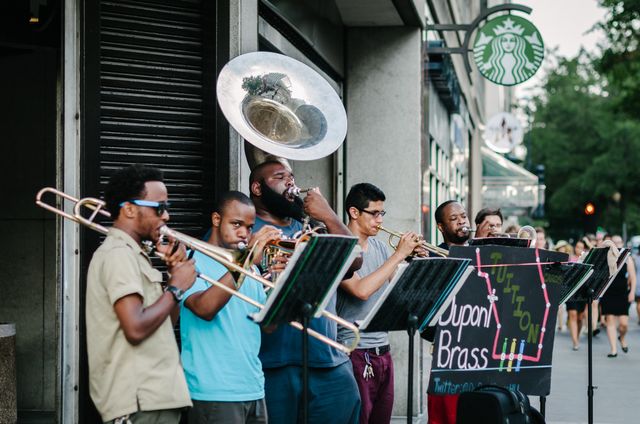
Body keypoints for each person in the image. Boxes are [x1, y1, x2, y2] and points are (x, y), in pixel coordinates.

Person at [249, 158, 361, 424]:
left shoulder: (311, 227)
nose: (291, 182)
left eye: (292, 176)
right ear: (256, 188)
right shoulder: (243, 229)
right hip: (273, 363)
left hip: (328, 359)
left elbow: (354, 261)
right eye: (280, 176)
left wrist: (329, 215)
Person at [86, 164, 196, 423]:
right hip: (139, 398)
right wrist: (176, 288)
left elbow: (164, 324)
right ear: (129, 209)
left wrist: (173, 278)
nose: (166, 216)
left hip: (155, 395)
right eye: (159, 208)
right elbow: (135, 328)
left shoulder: (135, 256)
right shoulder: (118, 255)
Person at [180, 191, 282, 424]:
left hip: (253, 387)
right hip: (213, 390)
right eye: (236, 224)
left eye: (249, 227)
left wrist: (279, 279)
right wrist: (246, 259)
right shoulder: (189, 260)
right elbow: (205, 308)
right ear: (216, 220)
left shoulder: (252, 269)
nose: (244, 234)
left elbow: (268, 326)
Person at [337, 183, 421, 424]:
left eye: (382, 213)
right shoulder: (343, 248)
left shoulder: (380, 247)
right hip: (354, 350)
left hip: (383, 350)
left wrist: (414, 263)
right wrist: (398, 256)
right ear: (354, 212)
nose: (380, 220)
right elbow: (361, 290)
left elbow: (400, 292)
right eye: (374, 213)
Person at [426, 200, 471, 424]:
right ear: (441, 227)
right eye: (454, 219)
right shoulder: (433, 258)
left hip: (482, 352)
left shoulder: (484, 254)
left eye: (463, 215)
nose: (462, 221)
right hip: (449, 352)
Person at [600, 235, 636, 357]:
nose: (617, 244)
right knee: (610, 321)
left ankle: (622, 337)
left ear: (622, 243)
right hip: (608, 292)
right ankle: (613, 350)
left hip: (622, 294)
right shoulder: (606, 257)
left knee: (623, 324)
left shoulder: (627, 258)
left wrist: (632, 292)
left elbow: (633, 277)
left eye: (619, 242)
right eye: (614, 242)